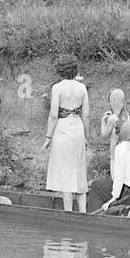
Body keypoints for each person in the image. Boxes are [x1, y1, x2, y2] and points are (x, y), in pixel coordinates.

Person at [44, 54, 89, 212]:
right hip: (77, 129)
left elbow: (54, 115)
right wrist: (86, 137)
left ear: (60, 70)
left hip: (62, 130)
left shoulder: (57, 88)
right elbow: (86, 116)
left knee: (66, 174)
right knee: (79, 171)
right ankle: (83, 213)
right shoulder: (82, 88)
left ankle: (68, 213)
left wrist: (48, 136)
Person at [87, 88, 128, 212]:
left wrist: (102, 120)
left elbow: (104, 135)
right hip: (125, 152)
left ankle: (111, 206)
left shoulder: (112, 119)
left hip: (115, 153)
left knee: (116, 180)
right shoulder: (126, 116)